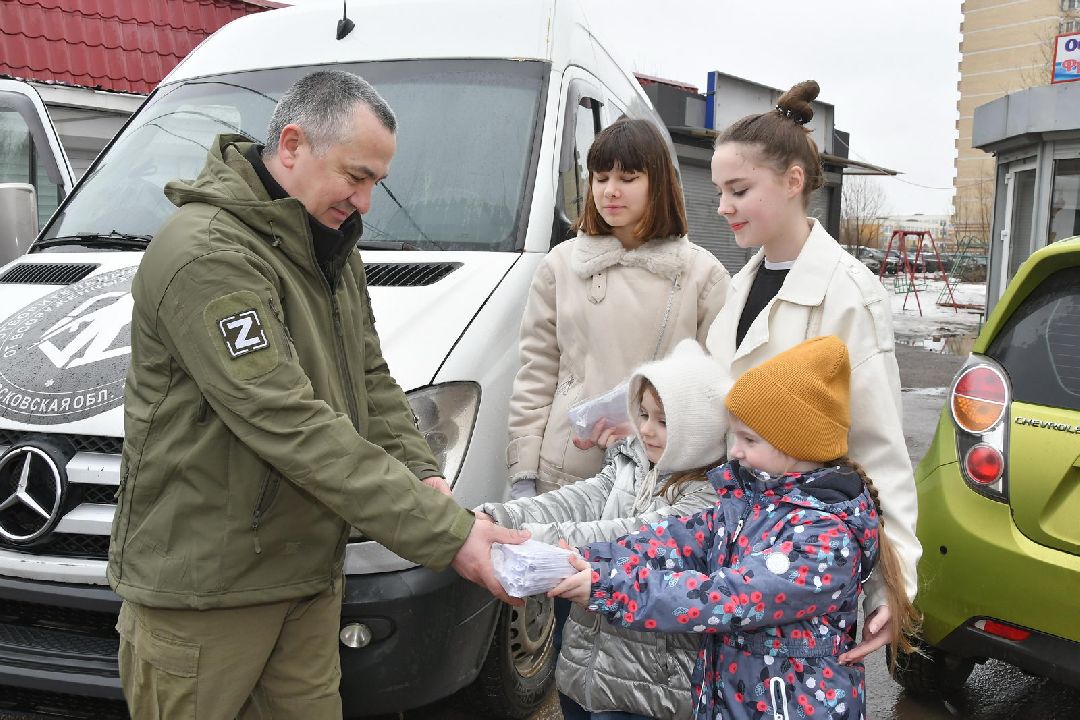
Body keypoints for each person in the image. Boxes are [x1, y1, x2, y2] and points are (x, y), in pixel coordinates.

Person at [107, 71, 525, 720]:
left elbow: (370, 376)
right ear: (294, 145)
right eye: (355, 177)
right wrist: (452, 535)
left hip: (305, 576)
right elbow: (291, 424)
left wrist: (423, 475)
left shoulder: (325, 245)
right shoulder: (205, 255)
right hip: (208, 594)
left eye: (375, 184)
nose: (365, 202)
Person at [556, 336, 920, 720]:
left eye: (749, 439)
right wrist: (588, 559)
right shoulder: (752, 504)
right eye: (735, 437)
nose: (734, 452)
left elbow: (723, 598)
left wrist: (607, 586)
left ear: (797, 446)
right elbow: (675, 540)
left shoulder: (824, 539)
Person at [702, 80, 920, 663]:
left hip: (805, 562)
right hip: (738, 547)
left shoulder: (848, 293)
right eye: (720, 190)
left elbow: (878, 448)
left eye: (738, 189)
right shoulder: (740, 284)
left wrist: (892, 587)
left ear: (793, 181)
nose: (722, 207)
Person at [482, 339, 725, 719]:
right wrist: (499, 518)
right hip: (587, 669)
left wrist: (527, 538)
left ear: (699, 428)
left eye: (663, 421)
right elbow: (580, 499)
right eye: (642, 414)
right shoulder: (634, 461)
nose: (646, 429)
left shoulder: (708, 496)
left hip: (649, 687)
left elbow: (629, 536)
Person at [507, 117, 730, 499]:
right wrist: (523, 473)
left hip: (660, 478)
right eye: (600, 178)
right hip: (566, 468)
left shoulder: (702, 275)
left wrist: (652, 422)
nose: (610, 191)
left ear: (658, 183)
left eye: (627, 179)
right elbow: (536, 374)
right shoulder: (559, 266)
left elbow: (720, 385)